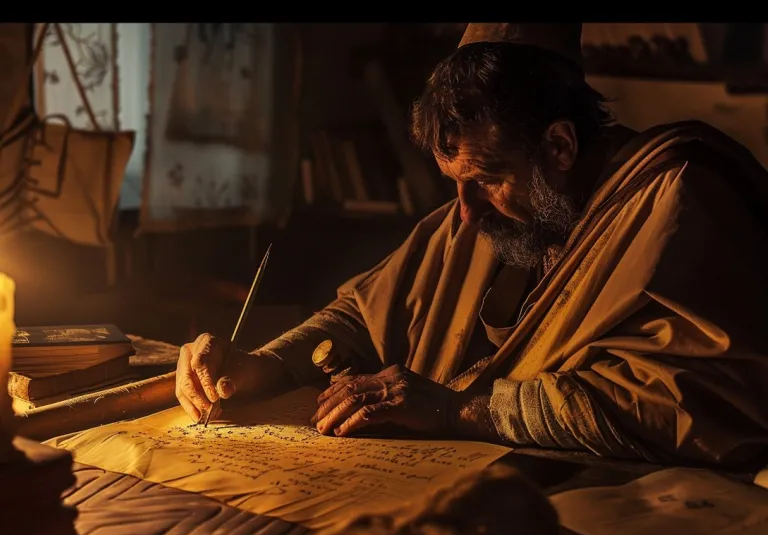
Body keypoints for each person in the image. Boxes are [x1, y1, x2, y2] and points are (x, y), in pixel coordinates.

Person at [176, 23, 768, 467]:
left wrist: (457, 409)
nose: (464, 210)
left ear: (559, 146)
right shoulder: (489, 217)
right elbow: (363, 311)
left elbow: (696, 402)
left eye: (485, 178)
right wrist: (269, 363)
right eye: (454, 183)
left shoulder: (678, 197)